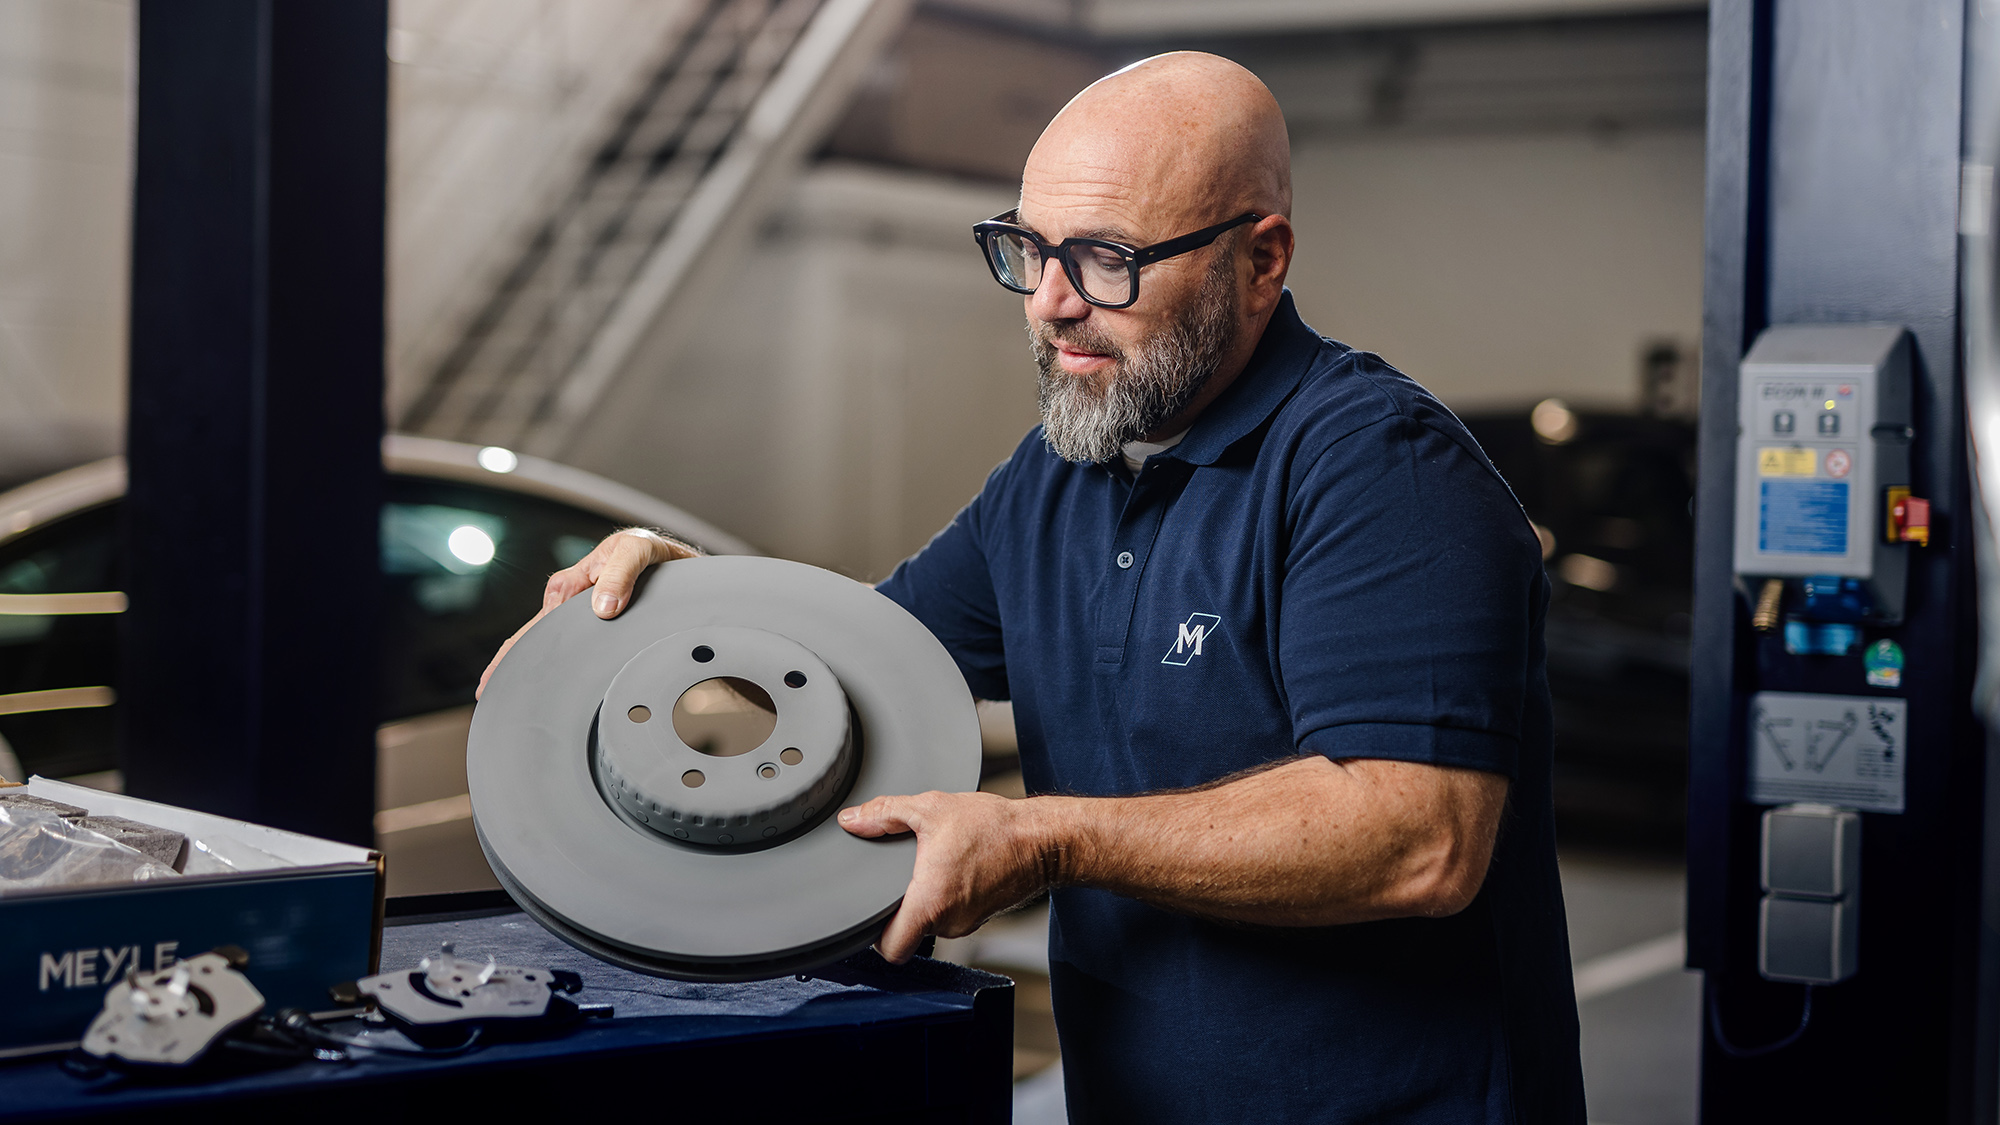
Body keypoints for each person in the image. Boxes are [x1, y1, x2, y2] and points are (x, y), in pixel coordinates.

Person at [483, 51, 1583, 1123]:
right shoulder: (1061, 472)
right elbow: (848, 664)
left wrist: (1042, 840)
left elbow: (1417, 839)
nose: (1051, 302)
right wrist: (682, 606)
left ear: (1260, 260)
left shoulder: (1378, 469)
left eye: (1106, 257)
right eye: (1026, 248)